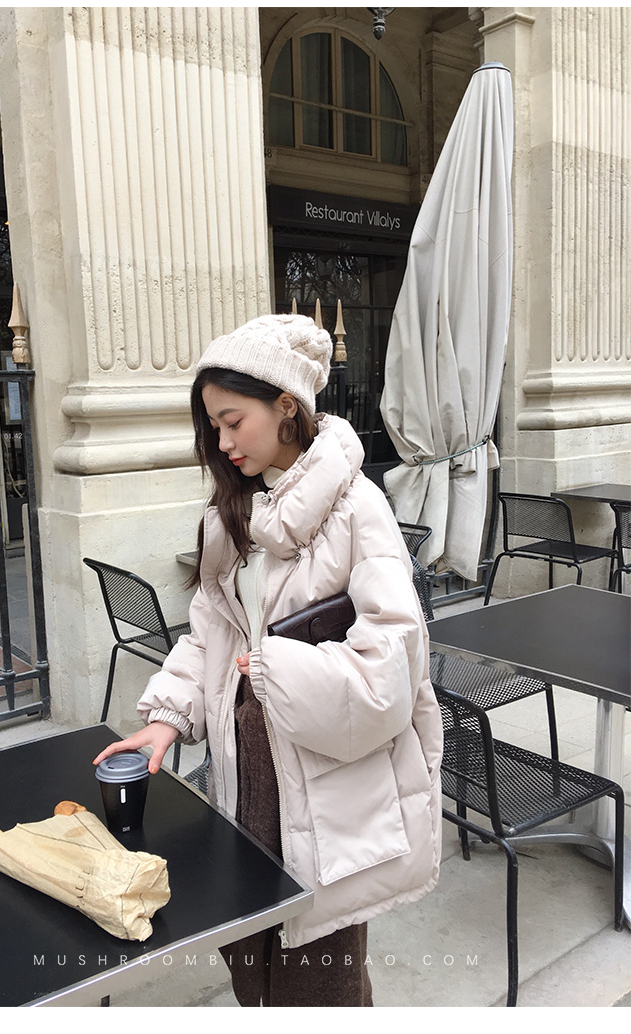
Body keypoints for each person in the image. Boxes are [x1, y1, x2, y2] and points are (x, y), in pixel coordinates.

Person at [93, 313, 443, 1007]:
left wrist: (274, 669)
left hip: (331, 786)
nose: (222, 444)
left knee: (321, 981)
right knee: (251, 964)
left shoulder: (359, 510)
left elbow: (391, 670)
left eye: (233, 422)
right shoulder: (231, 512)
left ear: (287, 406)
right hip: (247, 775)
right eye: (213, 428)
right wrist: (167, 716)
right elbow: (209, 635)